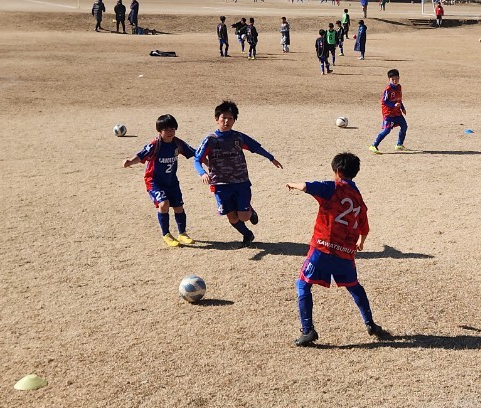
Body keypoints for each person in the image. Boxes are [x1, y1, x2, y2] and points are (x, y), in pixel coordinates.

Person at [286, 152, 393, 346]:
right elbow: (365, 225)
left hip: (323, 249)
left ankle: (308, 330)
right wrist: (361, 241)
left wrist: (292, 184)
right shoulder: (358, 197)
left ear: (336, 170)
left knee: (303, 284)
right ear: (355, 172)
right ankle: (370, 323)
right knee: (354, 287)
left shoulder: (331, 187)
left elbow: (305, 186)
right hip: (345, 252)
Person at [193, 100, 283, 245]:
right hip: (221, 184)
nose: (227, 121)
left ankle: (250, 211)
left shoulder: (238, 137)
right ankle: (247, 235)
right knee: (232, 217)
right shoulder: (210, 140)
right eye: (223, 118)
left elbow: (255, 147)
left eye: (230, 118)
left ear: (234, 120)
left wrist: (270, 158)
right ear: (217, 119)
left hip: (240, 181)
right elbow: (197, 159)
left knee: (244, 216)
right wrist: (202, 173)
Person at [123, 114, 196, 247]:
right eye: (166, 130)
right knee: (164, 204)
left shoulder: (177, 143)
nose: (170, 132)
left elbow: (194, 153)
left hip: (172, 181)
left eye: (172, 129)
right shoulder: (155, 145)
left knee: (179, 206)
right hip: (154, 182)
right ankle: (166, 234)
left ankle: (182, 233)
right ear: (159, 131)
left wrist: (208, 161)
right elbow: (140, 156)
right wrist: (130, 161)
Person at [369, 69, 408, 152]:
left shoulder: (399, 87)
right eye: (392, 79)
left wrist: (403, 108)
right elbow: (384, 101)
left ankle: (399, 145)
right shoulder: (388, 89)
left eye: (396, 79)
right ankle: (374, 145)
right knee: (387, 130)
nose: (395, 81)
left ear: (399, 78)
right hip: (389, 114)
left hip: (397, 113)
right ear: (389, 80)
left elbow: (399, 99)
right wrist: (394, 105)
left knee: (404, 126)